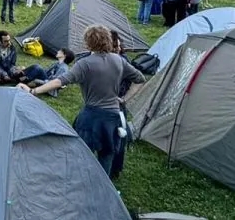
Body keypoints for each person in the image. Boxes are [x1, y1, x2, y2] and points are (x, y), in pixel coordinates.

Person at [20, 25, 145, 176]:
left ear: (88, 43)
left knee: (81, 155)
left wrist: (33, 91)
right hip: (112, 118)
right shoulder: (118, 60)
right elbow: (140, 79)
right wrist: (124, 99)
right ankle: (103, 187)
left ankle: (80, 184)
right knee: (106, 156)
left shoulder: (85, 64)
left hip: (91, 118)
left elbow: (60, 81)